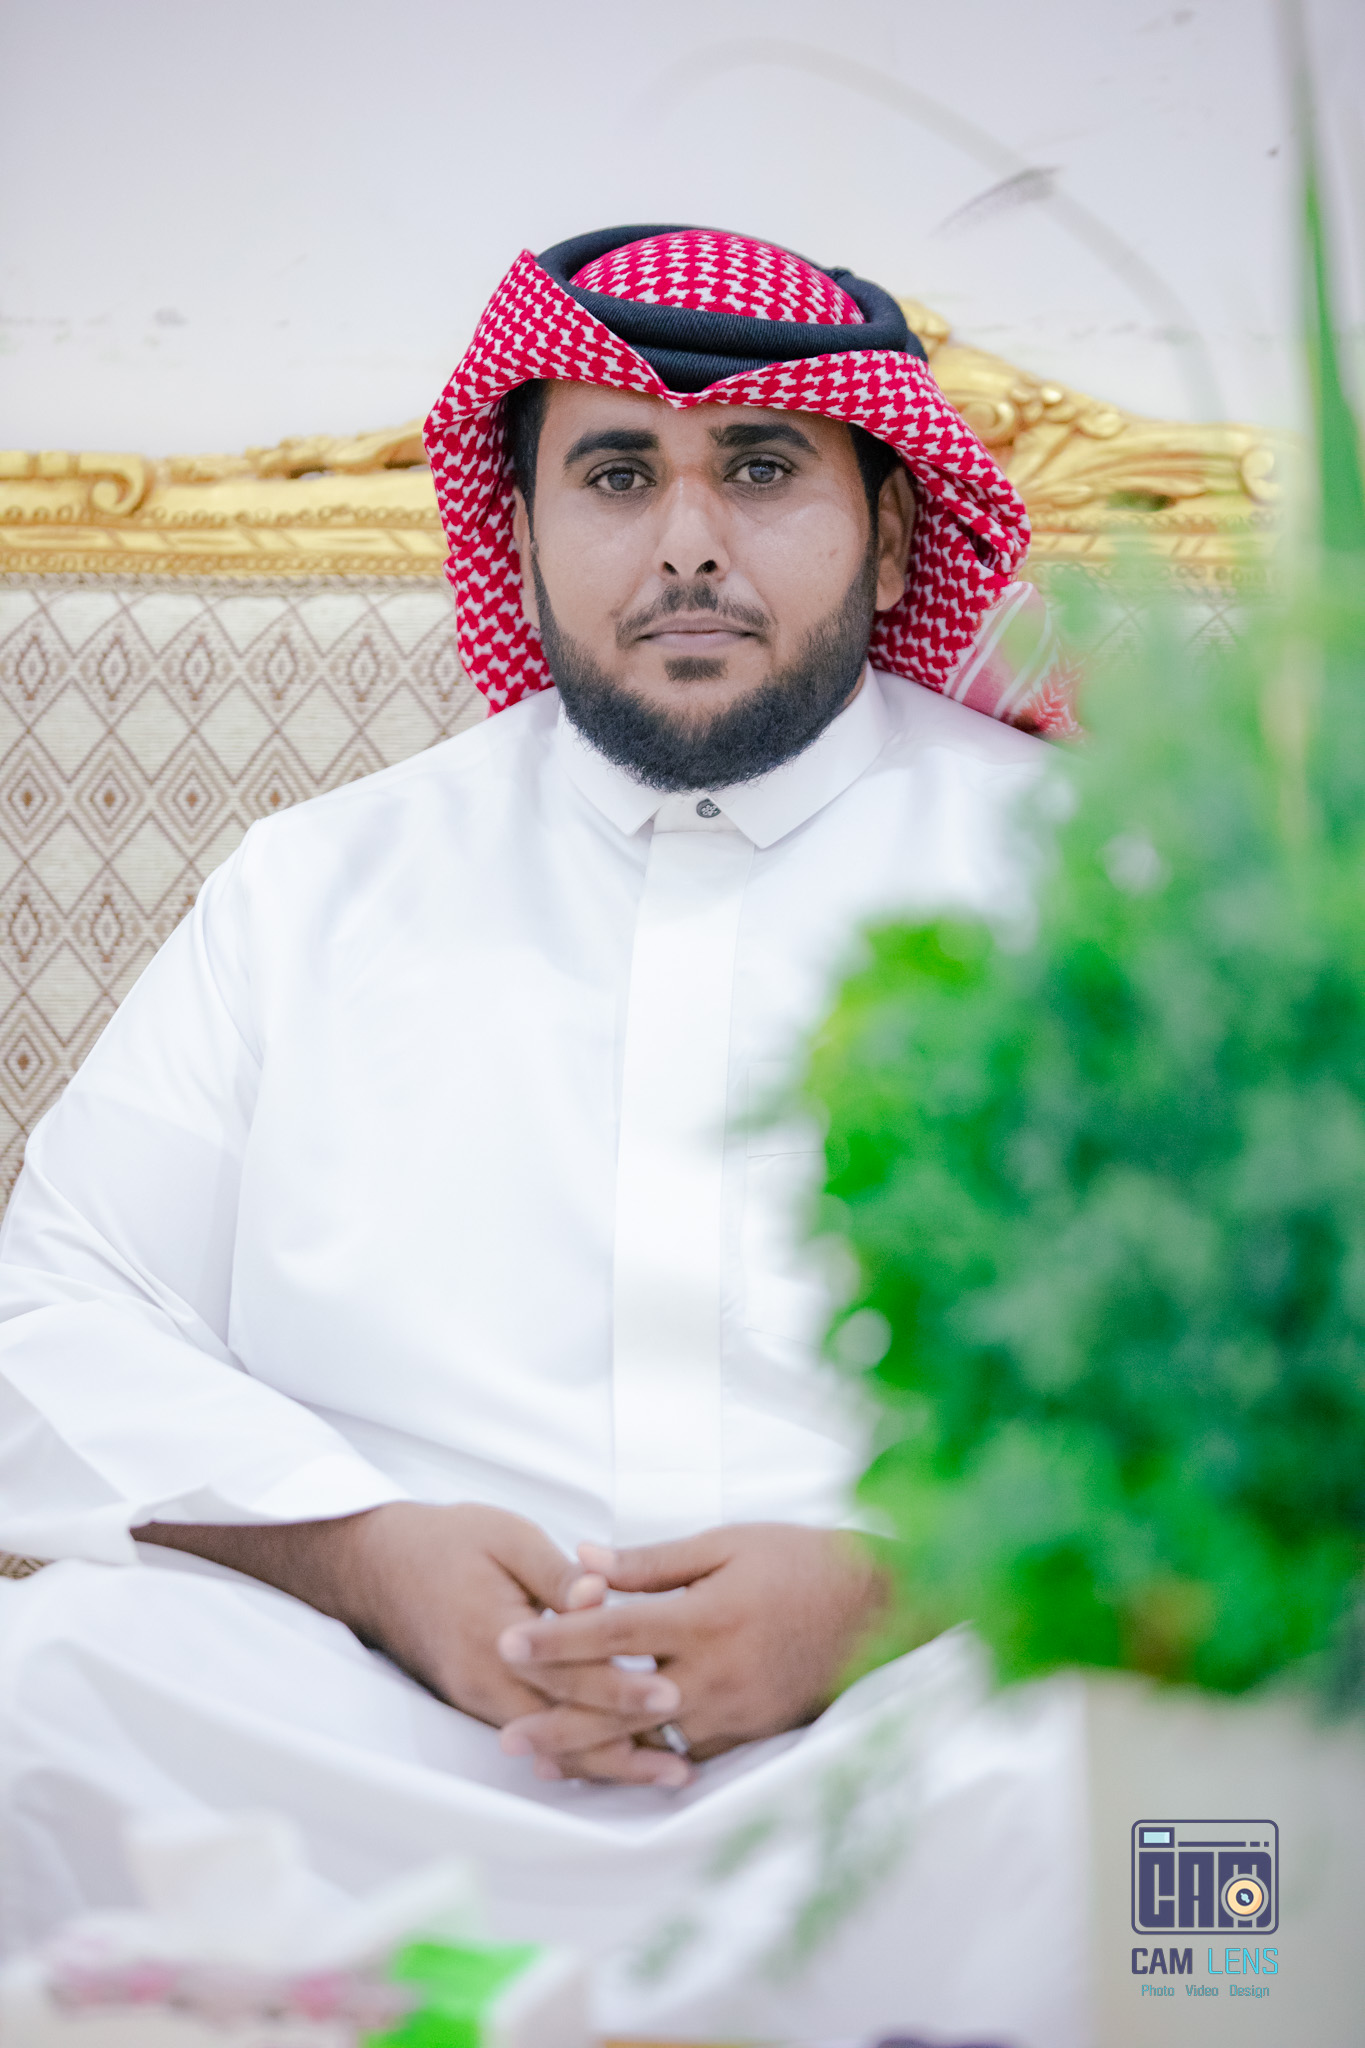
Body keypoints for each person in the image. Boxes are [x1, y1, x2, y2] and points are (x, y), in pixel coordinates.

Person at [0, 227, 1085, 2045]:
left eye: (760, 468)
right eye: (616, 474)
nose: (687, 542)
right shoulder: (315, 885)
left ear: (893, 531)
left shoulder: (1095, 873)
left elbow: (1287, 1374)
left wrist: (898, 1590)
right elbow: (52, 1312)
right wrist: (366, 1556)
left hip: (912, 1739)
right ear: (517, 530)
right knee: (54, 1692)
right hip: (384, 1738)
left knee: (1185, 1790)